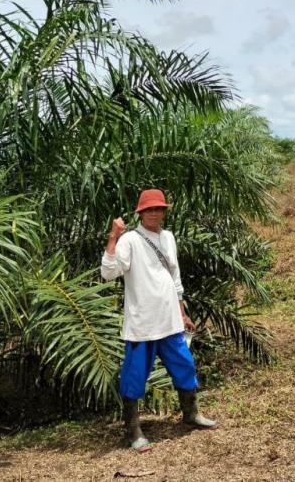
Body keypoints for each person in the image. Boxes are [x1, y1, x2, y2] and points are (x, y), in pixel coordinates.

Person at [101, 188, 217, 452]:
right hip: (142, 323)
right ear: (140, 213)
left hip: (170, 320)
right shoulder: (130, 239)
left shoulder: (168, 238)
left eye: (159, 209)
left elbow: (174, 278)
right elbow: (109, 273)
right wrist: (113, 237)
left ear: (164, 211)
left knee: (185, 366)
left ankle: (190, 415)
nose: (154, 213)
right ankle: (133, 431)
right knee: (134, 377)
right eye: (149, 209)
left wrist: (182, 312)